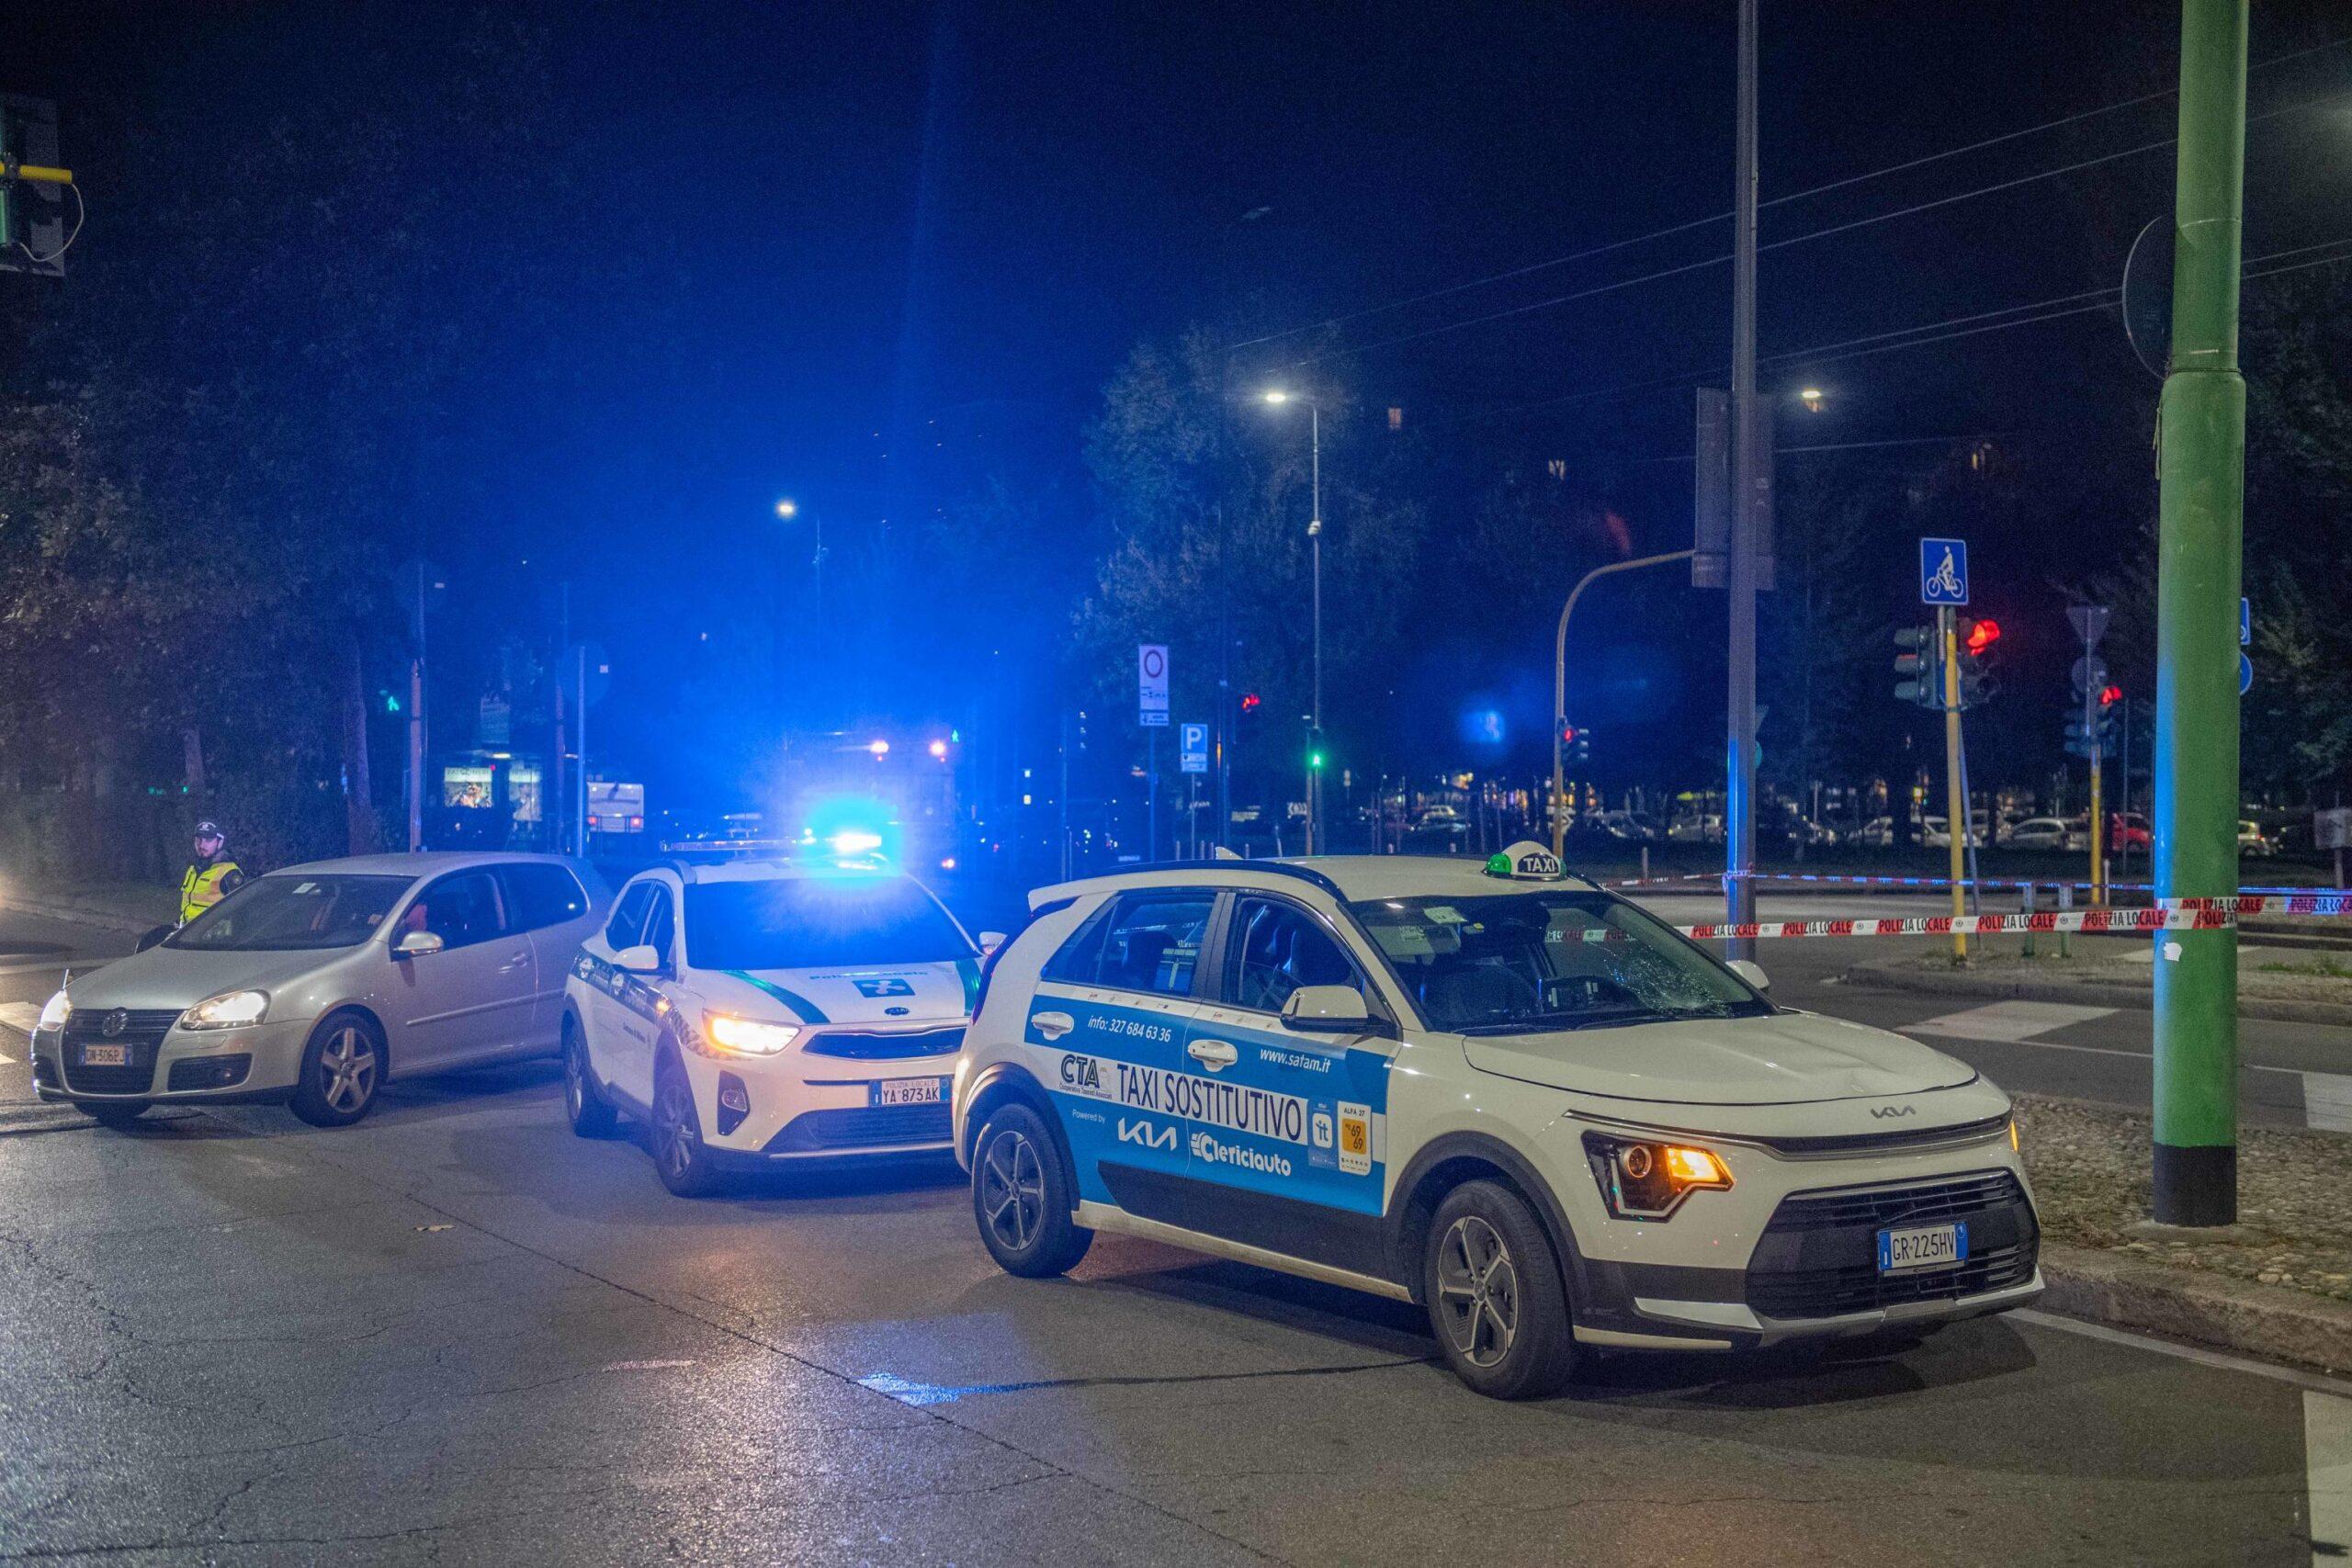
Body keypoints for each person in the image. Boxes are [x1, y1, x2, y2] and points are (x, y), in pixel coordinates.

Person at [178, 820, 246, 926]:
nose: (202, 845)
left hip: (215, 938)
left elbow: (240, 911)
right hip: (189, 933)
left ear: (220, 842)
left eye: (208, 840)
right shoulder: (193, 869)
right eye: (198, 840)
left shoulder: (230, 873)